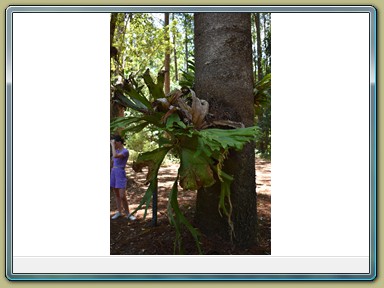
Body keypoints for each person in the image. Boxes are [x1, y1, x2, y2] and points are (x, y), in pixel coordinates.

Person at [110, 135, 136, 220]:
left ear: (119, 142)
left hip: (120, 172)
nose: (114, 144)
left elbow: (116, 156)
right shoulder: (116, 150)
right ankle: (119, 212)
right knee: (116, 194)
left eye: (115, 143)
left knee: (122, 195)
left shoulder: (125, 151)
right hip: (113, 172)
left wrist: (112, 145)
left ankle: (128, 214)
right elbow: (112, 162)